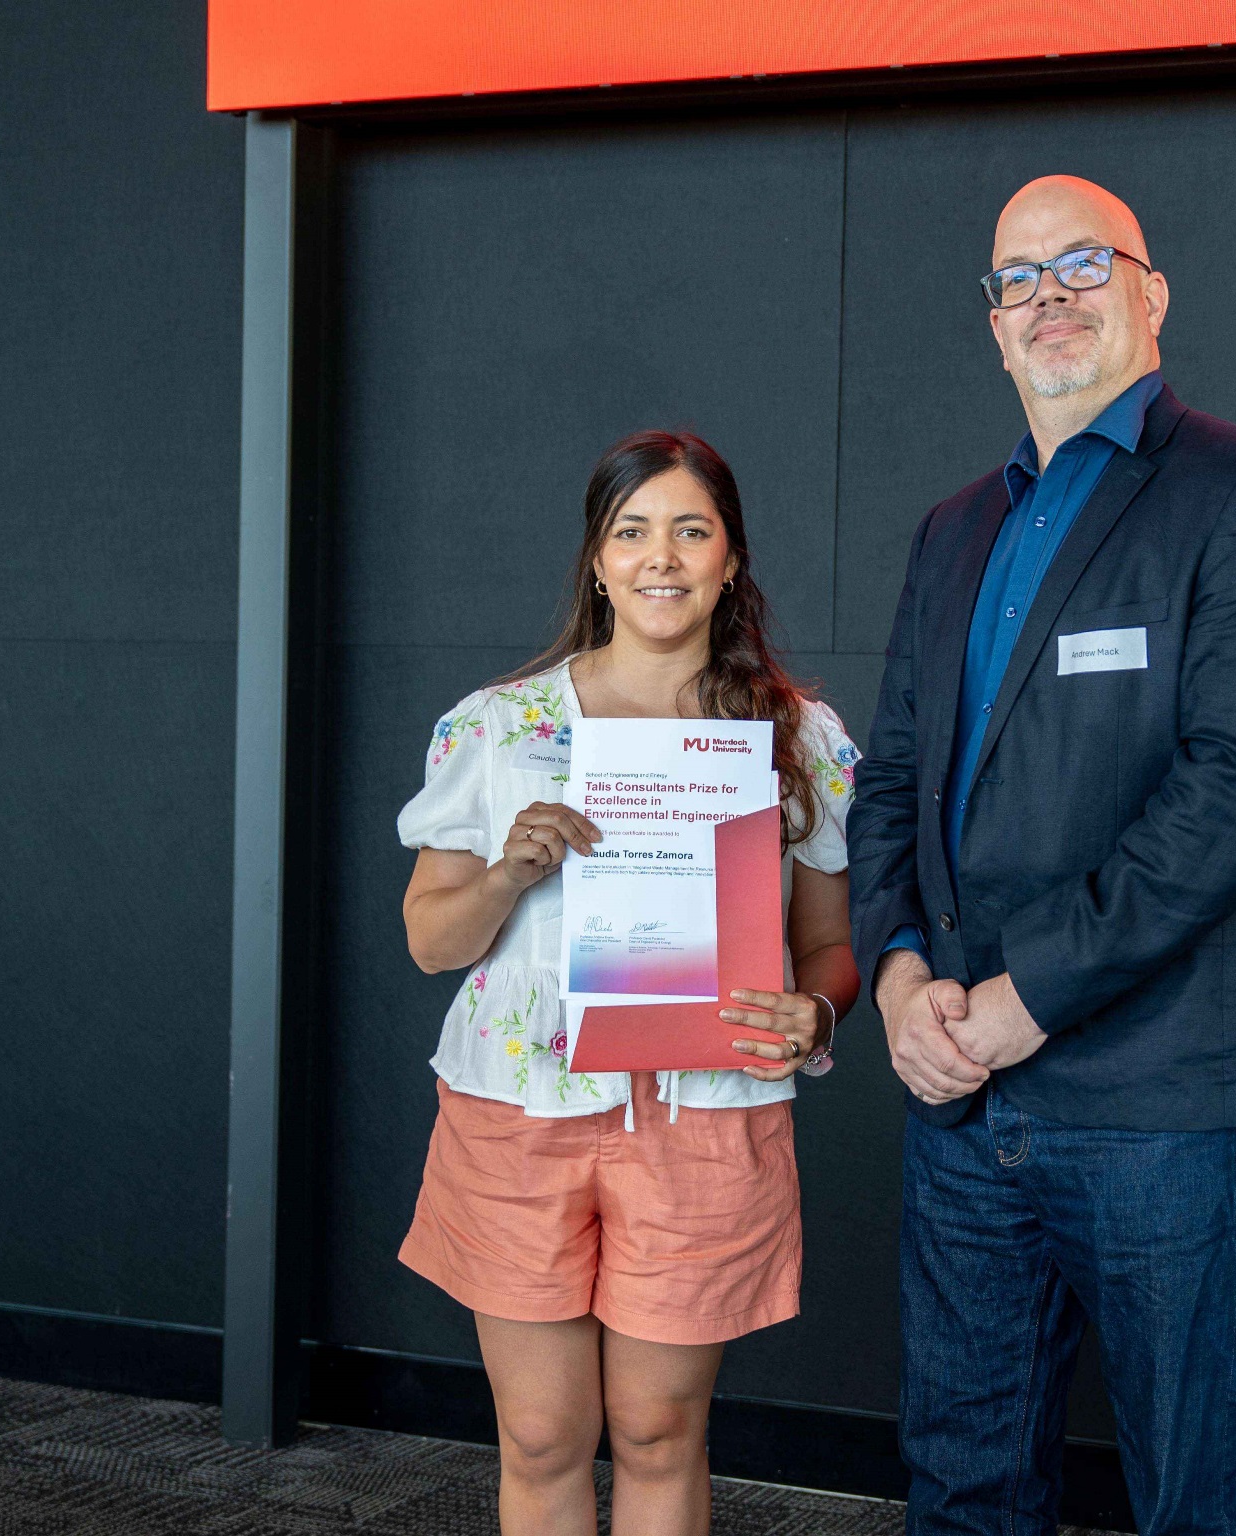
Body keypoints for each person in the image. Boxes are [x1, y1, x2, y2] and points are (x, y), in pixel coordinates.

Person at [848, 175, 1236, 1535]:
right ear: (996, 327)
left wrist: (1020, 1002)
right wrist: (896, 980)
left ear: (1151, 294)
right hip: (956, 1097)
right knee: (962, 1481)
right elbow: (891, 776)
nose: (1050, 294)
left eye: (1083, 262)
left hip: (1164, 1105)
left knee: (1192, 1493)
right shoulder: (955, 530)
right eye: (1020, 278)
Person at [395, 429, 861, 1536]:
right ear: (597, 562)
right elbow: (429, 942)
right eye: (632, 531)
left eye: (691, 530)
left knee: (660, 1433)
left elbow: (829, 946)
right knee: (546, 1437)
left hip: (706, 1117)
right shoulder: (500, 727)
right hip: (521, 1115)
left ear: (730, 559)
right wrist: (512, 867)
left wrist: (817, 1011)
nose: (663, 557)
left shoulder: (795, 738)